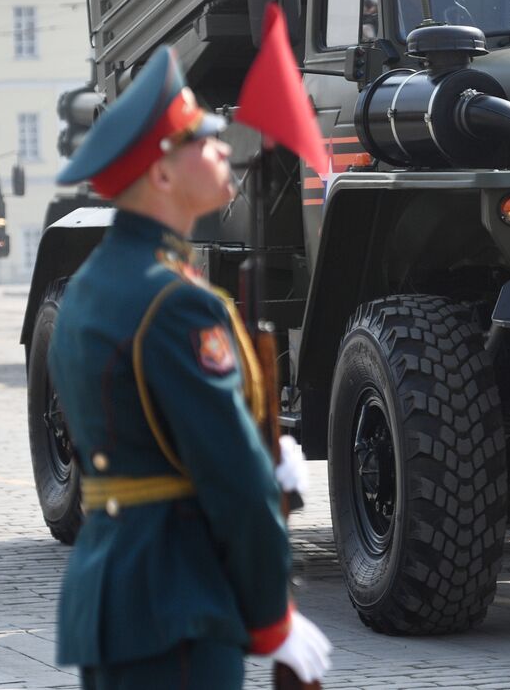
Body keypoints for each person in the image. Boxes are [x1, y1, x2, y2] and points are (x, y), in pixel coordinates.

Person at [49, 47, 331, 689]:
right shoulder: (178, 305)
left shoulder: (90, 287)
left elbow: (149, 449)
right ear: (164, 176)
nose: (222, 145)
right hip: (178, 601)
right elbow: (231, 478)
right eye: (202, 138)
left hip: (116, 599)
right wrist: (273, 621)